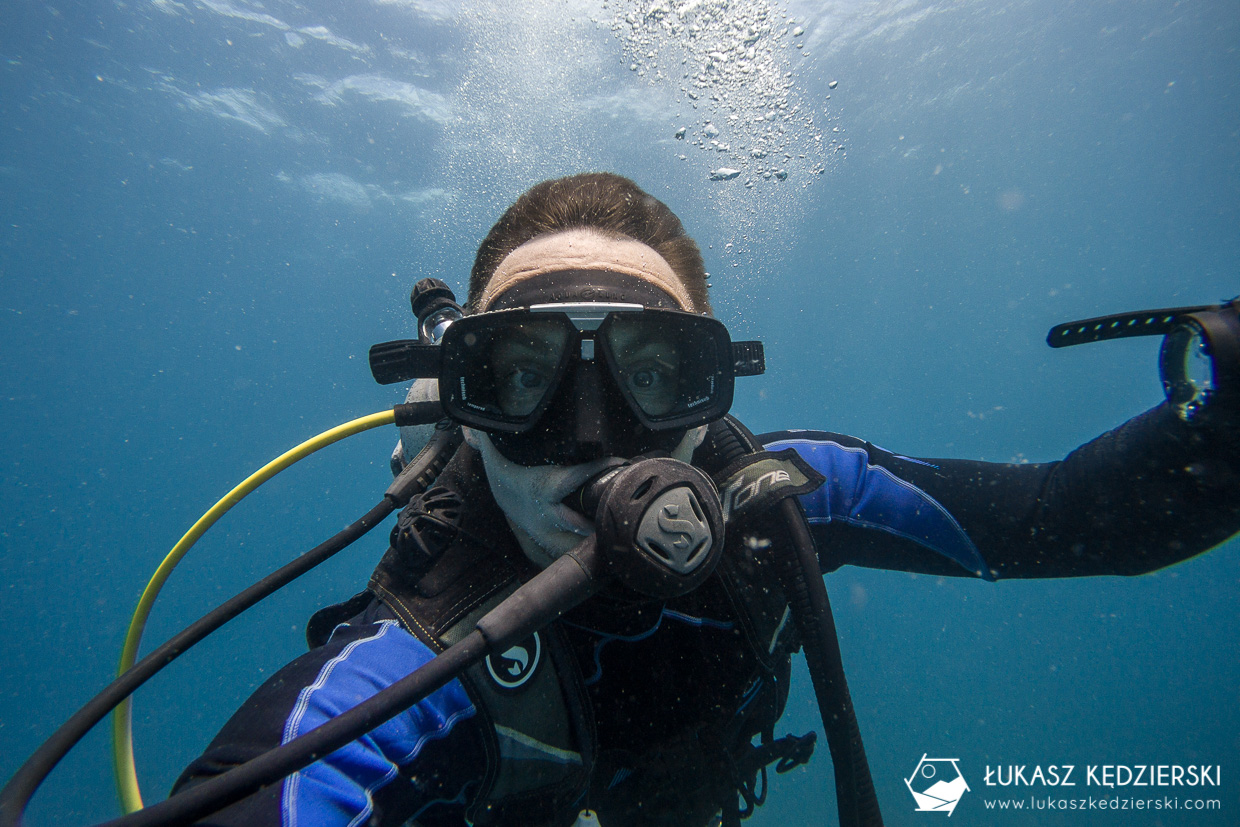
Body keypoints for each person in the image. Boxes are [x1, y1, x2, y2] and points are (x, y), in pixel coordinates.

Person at [172, 173, 1240, 826]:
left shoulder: (779, 501)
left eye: (652, 371)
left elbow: (1068, 514)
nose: (590, 439)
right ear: (461, 399)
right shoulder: (414, 646)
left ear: (710, 390)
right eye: (518, 375)